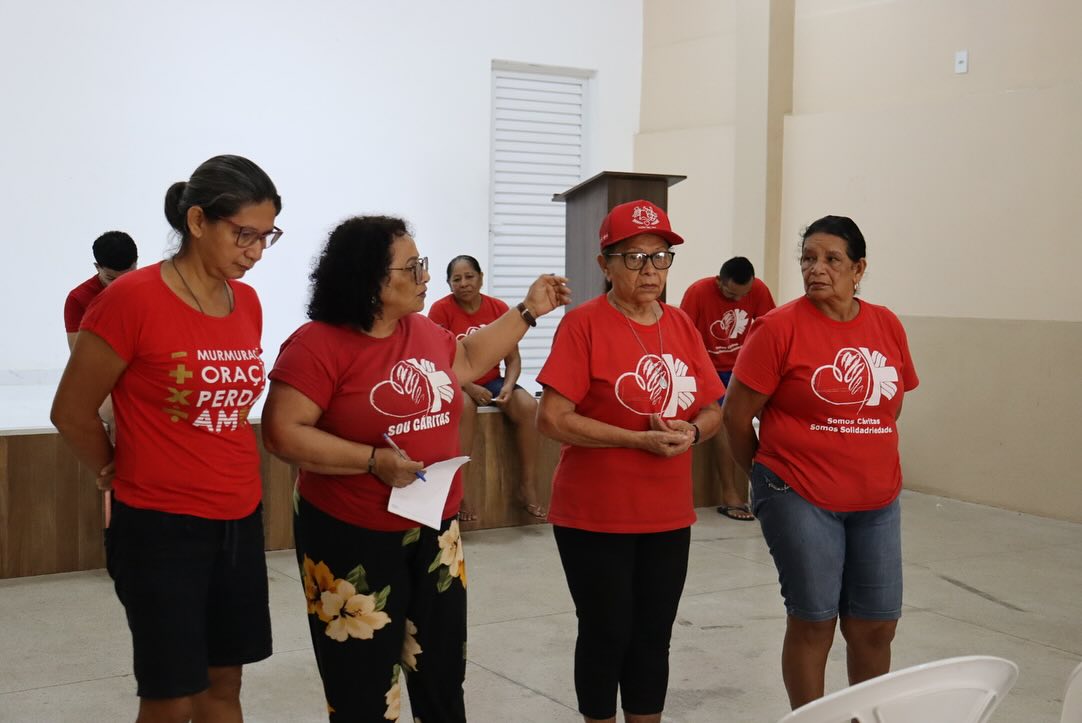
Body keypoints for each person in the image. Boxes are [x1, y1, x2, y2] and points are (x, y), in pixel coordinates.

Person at [260, 215, 569, 722]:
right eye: (412, 267)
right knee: (362, 685)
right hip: (351, 535)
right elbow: (282, 432)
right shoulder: (316, 345)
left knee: (441, 670)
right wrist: (370, 461)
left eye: (422, 264)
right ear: (369, 279)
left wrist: (529, 310)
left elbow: (466, 358)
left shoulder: (420, 329)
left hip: (433, 529)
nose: (425, 276)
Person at [51, 155, 283, 722]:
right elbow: (72, 411)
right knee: (171, 696)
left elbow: (231, 409)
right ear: (198, 221)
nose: (256, 251)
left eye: (267, 236)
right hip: (160, 526)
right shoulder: (131, 299)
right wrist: (111, 466)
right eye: (245, 234)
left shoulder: (246, 302)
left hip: (238, 515)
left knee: (224, 684)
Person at [536, 200, 724, 723]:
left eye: (660, 257)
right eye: (635, 258)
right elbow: (552, 418)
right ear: (605, 264)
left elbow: (712, 408)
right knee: (606, 631)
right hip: (595, 513)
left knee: (653, 635)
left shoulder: (681, 324)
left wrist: (692, 431)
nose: (650, 270)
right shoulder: (583, 325)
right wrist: (635, 440)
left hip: (667, 513)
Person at [722, 215, 919, 710]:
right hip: (799, 492)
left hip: (877, 497)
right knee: (814, 620)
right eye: (808, 258)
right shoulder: (777, 329)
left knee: (876, 624)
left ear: (859, 269)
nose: (816, 269)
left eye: (832, 259)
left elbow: (890, 407)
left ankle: (861, 718)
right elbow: (736, 418)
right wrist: (769, 481)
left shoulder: (886, 324)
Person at [428, 255, 546, 522]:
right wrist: (468, 387)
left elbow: (513, 359)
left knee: (529, 406)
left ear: (481, 278)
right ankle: (462, 490)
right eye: (456, 279)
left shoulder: (498, 308)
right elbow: (438, 363)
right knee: (464, 406)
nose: (464, 283)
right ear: (449, 284)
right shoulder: (440, 310)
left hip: (493, 381)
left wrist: (508, 386)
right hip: (456, 381)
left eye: (469, 276)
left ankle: (527, 485)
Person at [679, 256, 775, 521]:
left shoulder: (759, 290)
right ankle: (730, 493)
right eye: (731, 294)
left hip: (744, 368)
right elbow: (683, 337)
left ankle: (769, 486)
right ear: (719, 282)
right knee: (723, 420)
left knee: (774, 414)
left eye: (743, 295)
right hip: (708, 369)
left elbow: (770, 332)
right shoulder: (698, 292)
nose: (737, 300)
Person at [64, 230, 139, 350]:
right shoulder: (78, 299)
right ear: (97, 267)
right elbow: (79, 354)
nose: (120, 285)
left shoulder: (151, 286)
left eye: (128, 277)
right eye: (111, 278)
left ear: (136, 263)